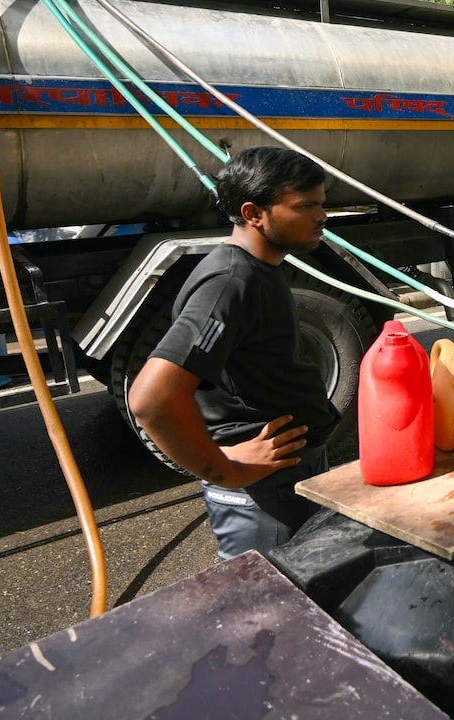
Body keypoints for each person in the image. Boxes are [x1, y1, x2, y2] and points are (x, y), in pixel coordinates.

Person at [129, 147, 338, 559]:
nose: (322, 216)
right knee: (265, 611)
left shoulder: (261, 269)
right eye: (306, 205)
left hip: (290, 476)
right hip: (265, 494)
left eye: (322, 203)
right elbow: (152, 400)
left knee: (307, 602)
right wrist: (225, 469)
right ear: (254, 213)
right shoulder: (230, 282)